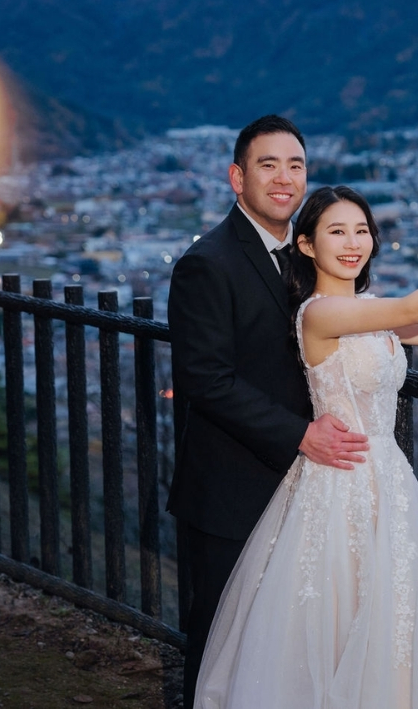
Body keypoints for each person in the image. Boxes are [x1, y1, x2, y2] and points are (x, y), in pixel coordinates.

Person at [193, 186, 418, 708]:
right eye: (337, 231)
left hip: (389, 483)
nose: (353, 242)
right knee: (336, 620)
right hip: (337, 485)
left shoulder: (369, 311)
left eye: (361, 230)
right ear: (308, 245)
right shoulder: (319, 315)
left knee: (390, 623)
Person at [167, 117, 370, 709]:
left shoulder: (309, 258)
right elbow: (205, 379)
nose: (285, 178)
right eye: (268, 164)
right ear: (238, 177)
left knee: (283, 648)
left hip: (308, 492)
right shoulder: (208, 262)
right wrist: (300, 435)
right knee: (219, 644)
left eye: (296, 165)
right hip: (233, 486)